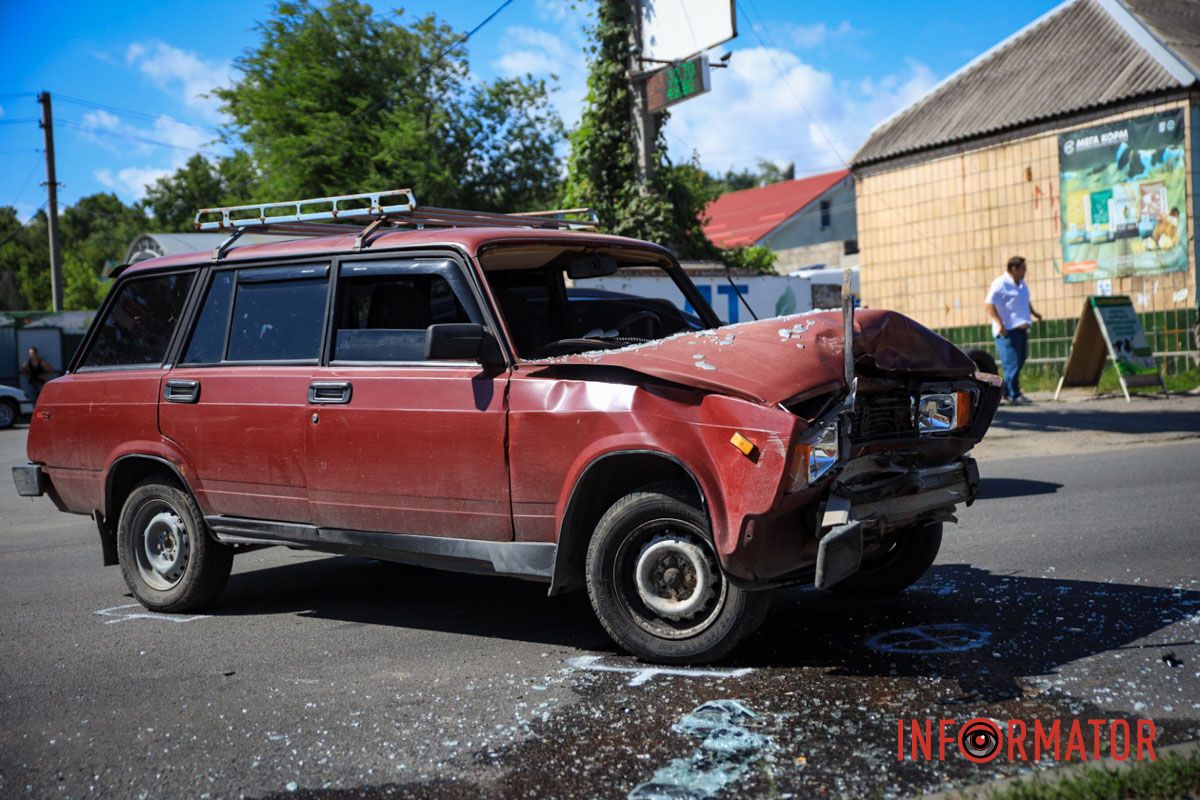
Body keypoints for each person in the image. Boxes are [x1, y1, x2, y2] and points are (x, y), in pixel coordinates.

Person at [985, 256, 1042, 405]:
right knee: (1012, 363)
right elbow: (989, 304)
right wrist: (1000, 324)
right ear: (1014, 269)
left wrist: (1035, 314)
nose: (1025, 271)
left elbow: (1025, 302)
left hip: (1022, 330)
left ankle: (1006, 392)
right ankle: (1013, 394)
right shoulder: (1000, 283)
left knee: (1020, 360)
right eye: (1023, 268)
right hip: (1007, 331)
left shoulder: (1021, 284)